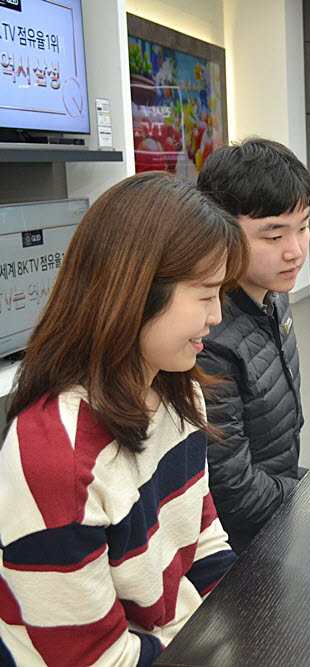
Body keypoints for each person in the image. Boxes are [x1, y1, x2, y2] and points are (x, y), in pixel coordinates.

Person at [0, 173, 247, 665]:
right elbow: (93, 658)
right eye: (204, 295)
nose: (217, 315)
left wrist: (250, 622)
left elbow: (203, 544)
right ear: (135, 292)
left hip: (180, 639)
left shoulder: (181, 397)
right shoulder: (56, 457)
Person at [195, 137, 310, 553]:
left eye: (302, 227)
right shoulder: (205, 336)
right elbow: (235, 494)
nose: (295, 251)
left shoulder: (272, 297)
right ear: (220, 230)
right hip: (242, 546)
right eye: (273, 236)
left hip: (279, 507)